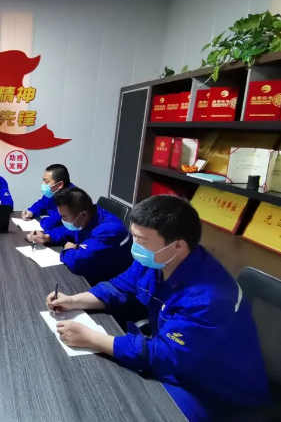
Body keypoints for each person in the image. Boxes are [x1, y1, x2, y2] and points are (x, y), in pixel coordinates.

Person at [46, 195, 271, 422]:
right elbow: (118, 287)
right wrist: (73, 300)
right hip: (175, 360)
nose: (134, 246)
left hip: (212, 387)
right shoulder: (158, 260)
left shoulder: (208, 297)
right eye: (133, 236)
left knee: (126, 407)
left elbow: (164, 354)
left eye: (141, 240)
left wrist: (91, 338)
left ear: (177, 245)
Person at [27, 187, 132, 284]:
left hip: (108, 282)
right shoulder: (87, 217)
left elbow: (77, 263)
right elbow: (67, 231)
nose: (62, 220)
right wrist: (47, 236)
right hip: (93, 269)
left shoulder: (108, 231)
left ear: (83, 215)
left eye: (64, 217)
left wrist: (68, 249)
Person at [22, 164, 75, 231]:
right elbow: (41, 204)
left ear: (60, 184)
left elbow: (50, 224)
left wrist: (43, 219)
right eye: (43, 180)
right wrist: (32, 211)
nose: (43, 184)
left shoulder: (73, 198)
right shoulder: (52, 192)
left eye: (46, 181)